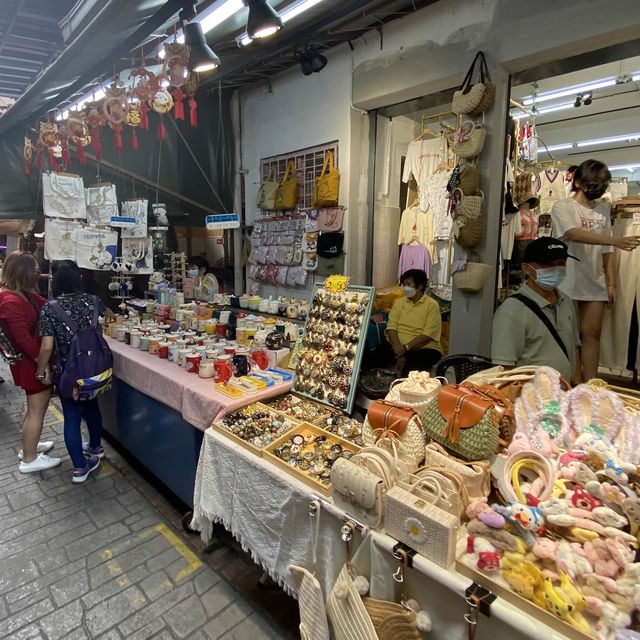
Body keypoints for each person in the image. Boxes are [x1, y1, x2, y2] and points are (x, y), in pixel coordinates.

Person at [551, 159, 640, 380]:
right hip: (568, 281)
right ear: (579, 182)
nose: (599, 187)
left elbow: (606, 250)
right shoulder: (563, 207)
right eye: (594, 182)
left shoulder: (603, 209)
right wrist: (615, 240)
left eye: (603, 182)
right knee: (570, 337)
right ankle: (573, 384)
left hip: (595, 281)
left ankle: (590, 386)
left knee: (592, 335)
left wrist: (611, 283)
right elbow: (573, 234)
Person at [36, 261, 105, 484]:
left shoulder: (50, 308)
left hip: (69, 372)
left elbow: (47, 346)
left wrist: (40, 370)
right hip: (95, 368)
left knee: (72, 417)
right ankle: (96, 447)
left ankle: (80, 467)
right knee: (93, 406)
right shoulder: (93, 301)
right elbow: (108, 320)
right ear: (78, 280)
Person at [0, 251, 60, 472]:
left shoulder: (21, 293)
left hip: (33, 360)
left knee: (34, 407)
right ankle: (30, 459)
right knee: (37, 408)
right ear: (22, 271)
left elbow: (47, 304)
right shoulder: (9, 300)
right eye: (34, 270)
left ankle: (29, 446)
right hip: (30, 363)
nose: (37, 274)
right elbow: (23, 339)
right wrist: (42, 365)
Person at [492, 237, 580, 382]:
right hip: (531, 398)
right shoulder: (512, 311)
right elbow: (503, 368)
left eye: (561, 264)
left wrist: (577, 385)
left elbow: (574, 347)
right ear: (526, 268)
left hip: (564, 396)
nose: (556, 270)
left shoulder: (566, 302)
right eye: (548, 265)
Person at [386, 269, 442, 376]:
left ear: (420, 286)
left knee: (410, 367)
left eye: (408, 284)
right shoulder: (399, 303)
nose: (405, 288)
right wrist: (398, 350)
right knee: (372, 357)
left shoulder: (432, 305)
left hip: (425, 348)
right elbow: (391, 328)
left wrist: (405, 348)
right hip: (398, 347)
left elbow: (428, 334)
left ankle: (403, 391)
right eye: (403, 284)